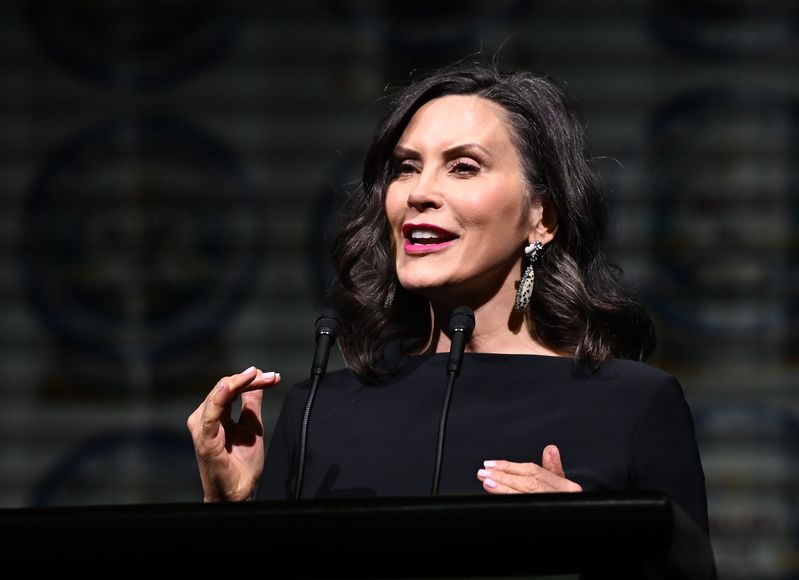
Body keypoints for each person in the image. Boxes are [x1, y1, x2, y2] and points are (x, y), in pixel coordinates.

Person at [187, 59, 709, 534]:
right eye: (406, 167)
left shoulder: (634, 404)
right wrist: (230, 511)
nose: (419, 192)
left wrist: (593, 543)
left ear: (541, 218)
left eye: (463, 167)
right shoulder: (317, 409)